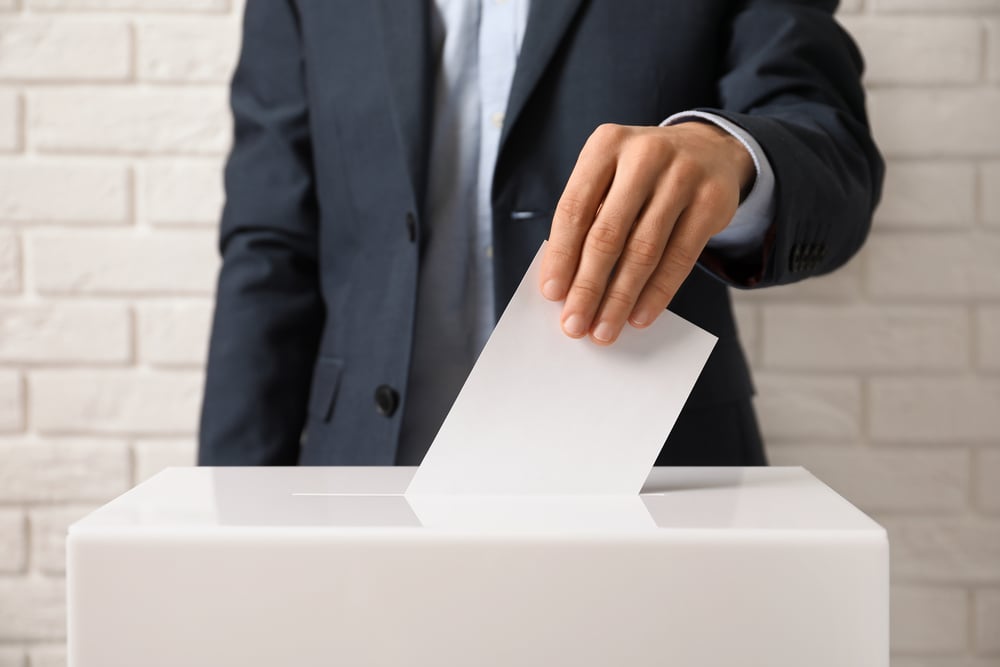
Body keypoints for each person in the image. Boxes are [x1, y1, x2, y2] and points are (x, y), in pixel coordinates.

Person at [198, 0, 883, 468]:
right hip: (365, 473)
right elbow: (271, 243)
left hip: (651, 472)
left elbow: (834, 152)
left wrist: (731, 153)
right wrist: (221, 513)